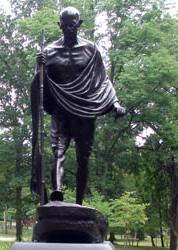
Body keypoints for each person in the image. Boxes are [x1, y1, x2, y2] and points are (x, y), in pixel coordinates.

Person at [31, 6, 125, 205]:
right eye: (64, 25)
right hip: (59, 110)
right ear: (59, 26)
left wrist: (115, 102)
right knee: (58, 151)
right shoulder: (49, 52)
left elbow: (103, 80)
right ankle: (57, 193)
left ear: (79, 24)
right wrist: (39, 67)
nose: (68, 29)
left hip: (84, 110)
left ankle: (79, 203)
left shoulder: (91, 50)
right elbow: (40, 84)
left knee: (84, 158)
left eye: (72, 24)